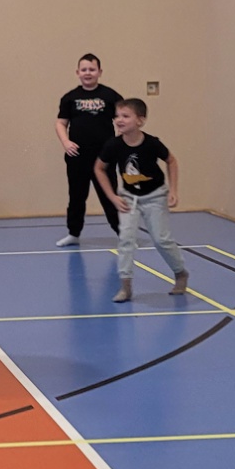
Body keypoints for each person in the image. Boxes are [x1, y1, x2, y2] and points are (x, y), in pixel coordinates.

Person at [95, 97, 189, 303]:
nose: (119, 120)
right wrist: (112, 196)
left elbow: (171, 161)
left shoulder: (152, 143)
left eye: (125, 116)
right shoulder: (113, 145)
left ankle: (180, 272)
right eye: (117, 116)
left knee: (161, 239)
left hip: (155, 196)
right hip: (129, 198)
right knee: (126, 240)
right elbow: (99, 168)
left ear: (140, 120)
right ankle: (126, 286)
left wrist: (173, 190)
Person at [55, 53, 122, 246]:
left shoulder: (110, 96)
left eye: (92, 69)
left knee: (109, 195)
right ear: (77, 72)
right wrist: (66, 142)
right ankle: (73, 233)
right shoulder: (70, 98)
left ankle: (123, 233)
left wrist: (117, 142)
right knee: (77, 196)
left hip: (103, 157)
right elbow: (61, 123)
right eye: (84, 69)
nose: (88, 73)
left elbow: (122, 119)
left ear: (100, 72)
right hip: (77, 156)